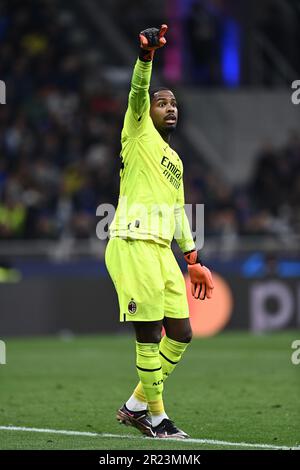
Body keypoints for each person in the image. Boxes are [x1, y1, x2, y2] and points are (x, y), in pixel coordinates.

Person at [105, 25, 214, 439]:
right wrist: (146, 57)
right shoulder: (136, 131)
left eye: (174, 104)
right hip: (132, 243)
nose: (170, 108)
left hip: (162, 253)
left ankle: (135, 405)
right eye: (161, 102)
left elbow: (177, 212)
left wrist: (193, 260)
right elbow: (137, 91)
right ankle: (157, 418)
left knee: (182, 334)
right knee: (149, 335)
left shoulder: (175, 160)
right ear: (147, 111)